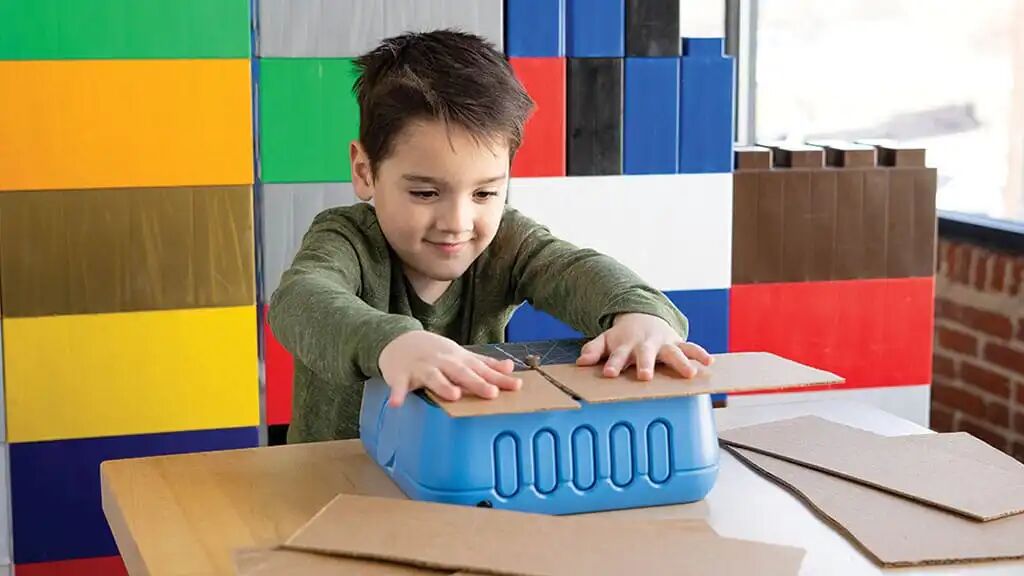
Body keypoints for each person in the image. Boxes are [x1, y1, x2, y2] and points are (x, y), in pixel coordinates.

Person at [268, 29, 712, 443]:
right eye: (425, 193)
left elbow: (572, 268)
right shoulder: (346, 238)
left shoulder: (508, 242)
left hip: (455, 474)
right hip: (334, 479)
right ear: (366, 172)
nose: (457, 221)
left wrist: (640, 315)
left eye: (484, 193)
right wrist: (393, 342)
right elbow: (299, 300)